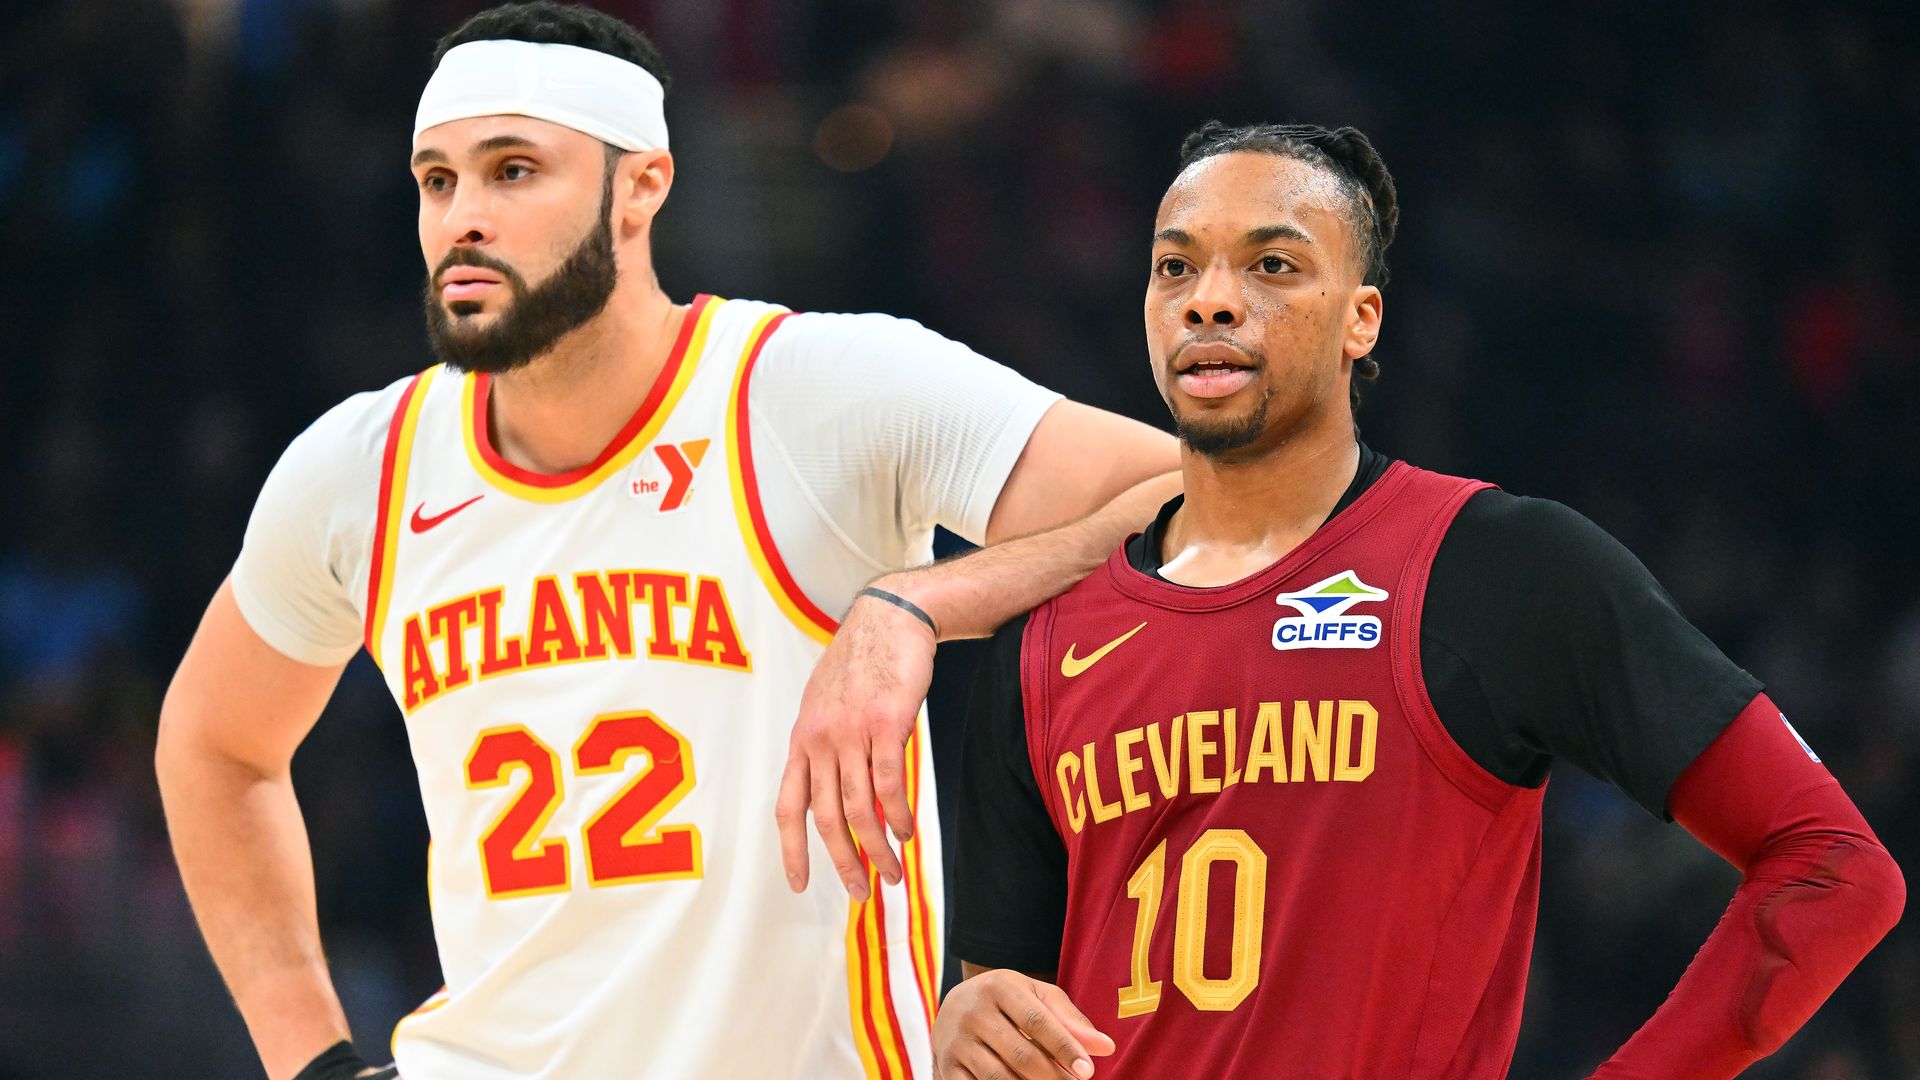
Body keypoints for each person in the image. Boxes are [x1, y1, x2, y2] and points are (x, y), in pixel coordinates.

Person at [153, 4, 1178, 1078]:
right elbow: (216, 746)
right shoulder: (361, 468)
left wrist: (917, 605)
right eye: (437, 180)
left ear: (641, 186)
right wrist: (310, 1062)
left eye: (513, 172)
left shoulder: (812, 391)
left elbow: (1203, 503)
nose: (463, 218)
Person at [932, 122, 1906, 1079]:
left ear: (1362, 318)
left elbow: (1833, 869)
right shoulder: (1045, 641)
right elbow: (1011, 1025)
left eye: (1272, 265)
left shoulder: (1496, 565)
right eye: (1176, 268)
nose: (1211, 302)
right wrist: (961, 1017)